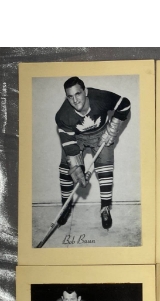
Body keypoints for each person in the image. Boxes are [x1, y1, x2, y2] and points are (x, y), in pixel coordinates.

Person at [55, 76, 131, 230]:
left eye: (78, 94)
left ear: (85, 91)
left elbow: (125, 104)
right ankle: (66, 205)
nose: (75, 100)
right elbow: (70, 147)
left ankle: (105, 209)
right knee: (66, 170)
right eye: (70, 96)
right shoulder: (63, 115)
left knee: (105, 171)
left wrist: (113, 126)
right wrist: (76, 167)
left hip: (101, 133)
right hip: (77, 138)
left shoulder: (100, 97)